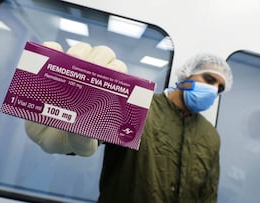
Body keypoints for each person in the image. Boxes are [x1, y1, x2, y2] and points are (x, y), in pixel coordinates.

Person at [25, 42, 233, 203]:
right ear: (187, 74)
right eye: (209, 79)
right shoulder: (140, 106)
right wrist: (71, 134)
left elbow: (208, 194)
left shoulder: (210, 136)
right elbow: (93, 136)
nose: (214, 90)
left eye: (220, 88)